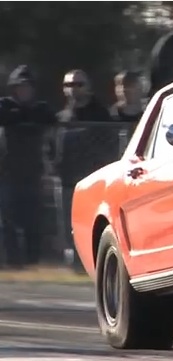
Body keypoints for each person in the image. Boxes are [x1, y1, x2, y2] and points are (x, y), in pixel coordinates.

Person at [54, 69, 113, 270]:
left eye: (79, 84)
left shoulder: (101, 115)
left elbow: (108, 147)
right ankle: (74, 266)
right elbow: (53, 147)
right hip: (67, 182)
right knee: (68, 227)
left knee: (90, 225)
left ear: (88, 88)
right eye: (69, 85)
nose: (74, 89)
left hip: (92, 184)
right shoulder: (61, 117)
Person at [0, 65, 57, 267]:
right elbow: (6, 116)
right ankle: (13, 262)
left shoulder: (40, 108)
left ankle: (33, 262)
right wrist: (23, 120)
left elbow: (50, 117)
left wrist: (25, 120)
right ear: (14, 88)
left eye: (28, 87)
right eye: (20, 87)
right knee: (8, 221)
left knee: (33, 221)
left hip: (33, 174)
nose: (24, 91)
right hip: (7, 173)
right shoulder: (5, 106)